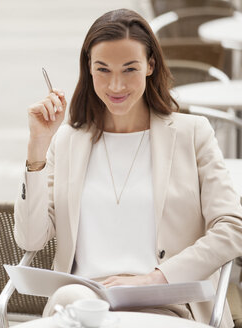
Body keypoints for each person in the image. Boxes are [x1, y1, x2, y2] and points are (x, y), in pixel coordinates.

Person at [13, 8, 242, 327]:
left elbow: (232, 227)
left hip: (166, 302)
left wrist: (155, 280)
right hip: (81, 303)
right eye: (103, 70)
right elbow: (30, 239)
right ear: (88, 69)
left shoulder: (192, 133)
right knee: (71, 301)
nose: (116, 85)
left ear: (150, 66)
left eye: (129, 69)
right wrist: (37, 146)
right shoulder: (67, 141)